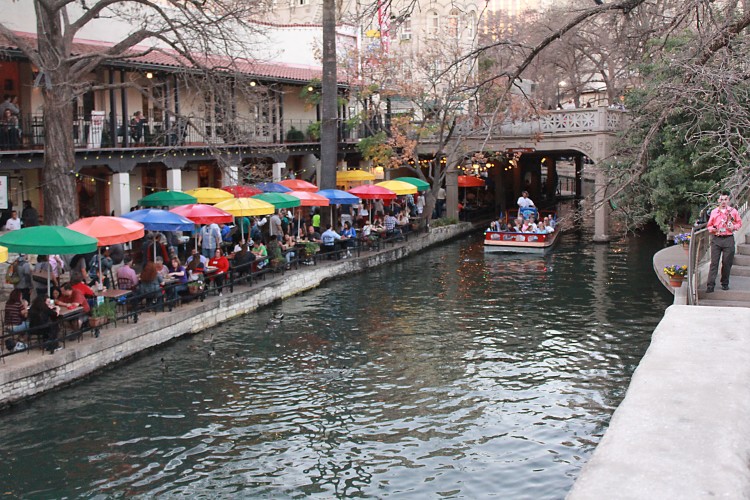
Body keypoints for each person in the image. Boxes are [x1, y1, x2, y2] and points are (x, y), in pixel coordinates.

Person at [706, 191, 743, 292]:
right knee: (714, 263)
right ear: (718, 200)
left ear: (728, 200)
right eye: (721, 199)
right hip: (716, 238)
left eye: (725, 199)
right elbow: (709, 225)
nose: (723, 202)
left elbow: (739, 223)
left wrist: (733, 227)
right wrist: (712, 229)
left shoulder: (733, 211)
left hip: (728, 238)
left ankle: (725, 283)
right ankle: (710, 285)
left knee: (727, 262)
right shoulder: (714, 212)